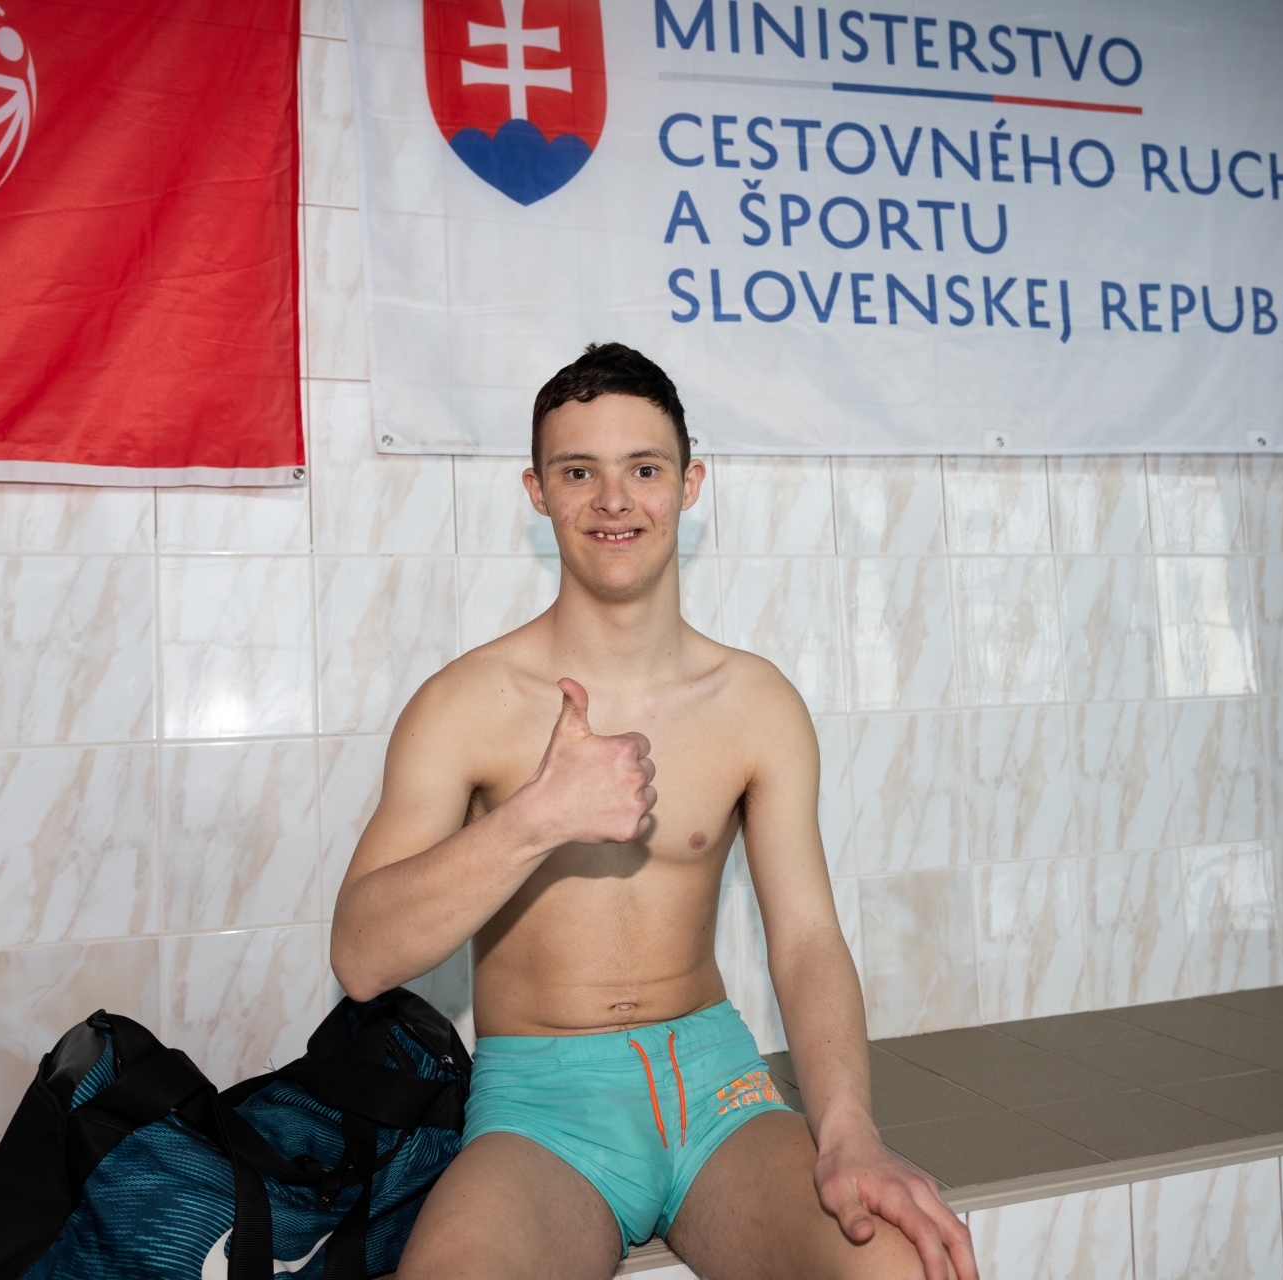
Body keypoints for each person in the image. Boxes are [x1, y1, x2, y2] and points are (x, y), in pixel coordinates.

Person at [330, 343, 975, 1280]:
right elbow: (360, 957)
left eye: (643, 469)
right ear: (537, 492)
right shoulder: (465, 704)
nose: (613, 500)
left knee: (902, 1268)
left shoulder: (755, 702)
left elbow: (806, 939)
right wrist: (536, 818)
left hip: (720, 1094)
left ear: (688, 484)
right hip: (542, 1111)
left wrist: (848, 1131)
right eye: (577, 472)